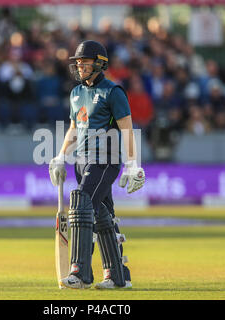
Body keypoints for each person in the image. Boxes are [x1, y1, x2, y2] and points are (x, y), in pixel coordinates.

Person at [48, 40, 145, 289]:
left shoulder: (113, 92)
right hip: (82, 161)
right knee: (103, 215)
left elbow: (126, 129)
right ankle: (118, 275)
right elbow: (74, 128)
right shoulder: (76, 93)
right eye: (78, 62)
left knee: (81, 202)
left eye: (85, 61)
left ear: (100, 64)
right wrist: (61, 156)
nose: (79, 65)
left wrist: (132, 164)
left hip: (105, 160)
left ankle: (79, 272)